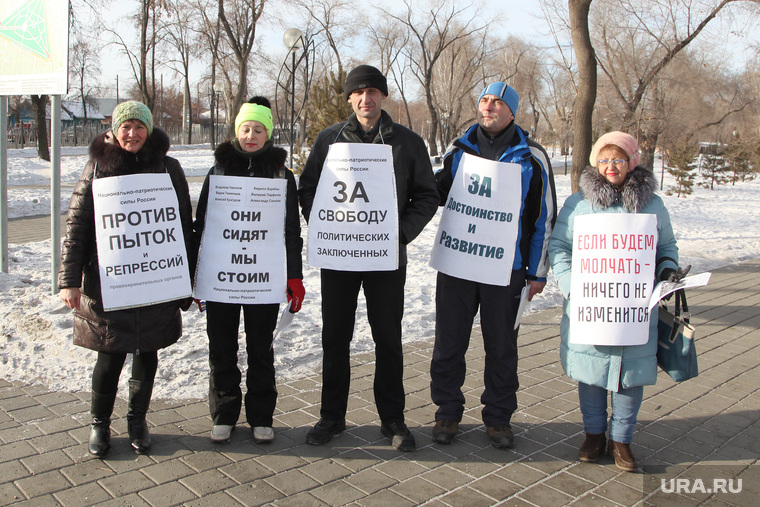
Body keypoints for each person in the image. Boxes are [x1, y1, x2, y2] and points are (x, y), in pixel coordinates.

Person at [298, 65, 438, 451]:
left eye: (373, 91)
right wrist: (326, 225)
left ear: (383, 96)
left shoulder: (407, 143)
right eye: (358, 92)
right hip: (340, 256)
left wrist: (400, 233)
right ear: (349, 98)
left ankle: (392, 419)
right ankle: (331, 416)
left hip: (386, 259)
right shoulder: (330, 140)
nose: (366, 98)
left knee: (388, 340)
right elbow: (308, 188)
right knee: (335, 338)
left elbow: (427, 195)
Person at [58, 101, 196, 457]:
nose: (132, 134)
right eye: (125, 127)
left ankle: (138, 420)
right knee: (110, 355)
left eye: (139, 127)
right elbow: (77, 227)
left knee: (146, 352)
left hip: (156, 280)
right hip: (110, 283)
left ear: (149, 130)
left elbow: (183, 226)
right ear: (114, 130)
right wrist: (69, 280)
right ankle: (99, 425)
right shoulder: (98, 168)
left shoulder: (168, 168)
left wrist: (187, 280)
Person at [429, 82, 556, 448]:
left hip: (507, 269)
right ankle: (447, 411)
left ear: (512, 112)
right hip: (457, 263)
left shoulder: (532, 156)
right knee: (449, 342)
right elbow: (437, 192)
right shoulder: (459, 149)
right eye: (485, 100)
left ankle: (498, 417)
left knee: (501, 345)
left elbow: (542, 218)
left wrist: (536, 272)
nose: (489, 107)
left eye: (498, 102)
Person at [548, 131, 679, 471]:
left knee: (630, 374)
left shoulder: (653, 205)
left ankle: (622, 440)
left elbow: (666, 248)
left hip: (634, 308)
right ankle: (594, 435)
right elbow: (559, 247)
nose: (610, 167)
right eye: (603, 159)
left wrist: (667, 272)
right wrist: (571, 284)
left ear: (632, 162)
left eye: (617, 159)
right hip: (591, 304)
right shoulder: (578, 204)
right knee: (591, 372)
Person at [193, 97, 304, 444]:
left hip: (263, 278)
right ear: (236, 131)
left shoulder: (281, 175)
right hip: (223, 276)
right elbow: (203, 225)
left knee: (261, 349)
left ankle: (261, 415)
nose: (251, 135)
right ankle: (224, 413)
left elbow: (291, 231)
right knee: (221, 347)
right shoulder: (219, 172)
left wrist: (294, 276)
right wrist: (198, 276)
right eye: (245, 128)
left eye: (258, 129)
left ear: (268, 134)